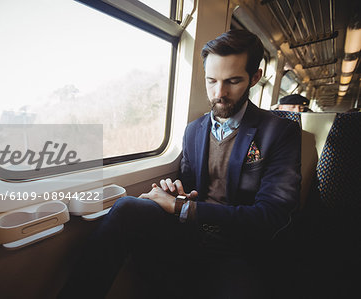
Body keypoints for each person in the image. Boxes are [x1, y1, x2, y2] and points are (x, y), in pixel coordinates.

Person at [58, 29, 301, 299]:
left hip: (236, 249)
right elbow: (191, 188)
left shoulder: (279, 133)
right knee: (127, 206)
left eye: (232, 81)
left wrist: (182, 207)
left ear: (254, 78)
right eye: (211, 81)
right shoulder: (193, 130)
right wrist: (177, 191)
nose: (219, 93)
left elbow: (271, 216)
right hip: (189, 234)